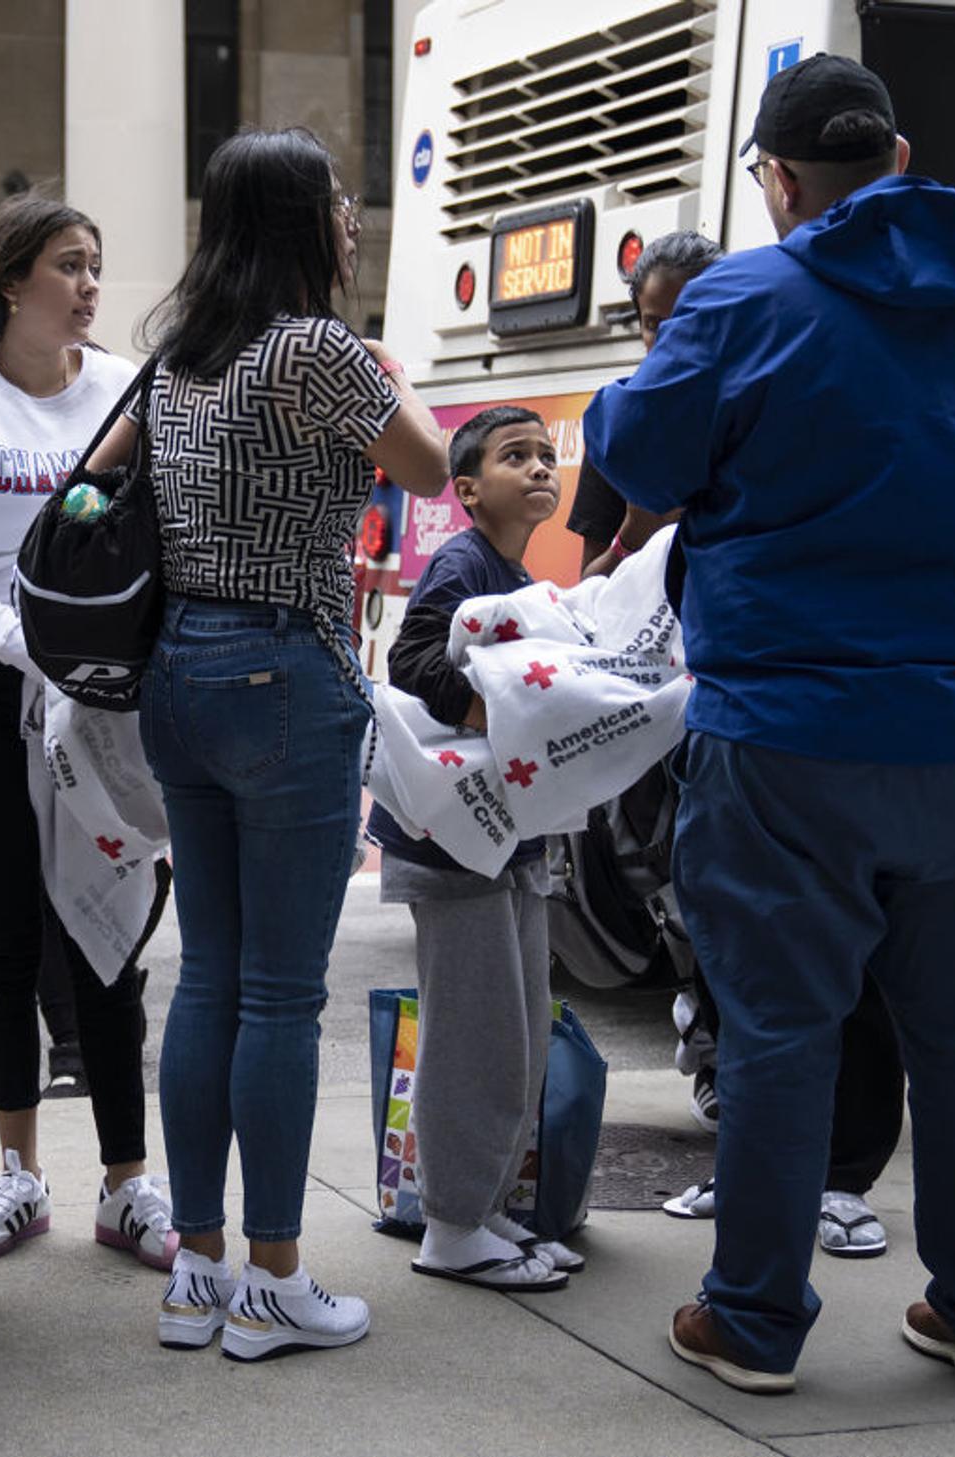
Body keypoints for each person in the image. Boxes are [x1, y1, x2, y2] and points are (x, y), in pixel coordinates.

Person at [584, 55, 955, 1393]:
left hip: (786, 735)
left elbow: (635, 459)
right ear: (902, 159)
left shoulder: (744, 296)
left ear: (780, 180)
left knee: (781, 1035)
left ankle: (752, 1317)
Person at [92, 128, 449, 1361]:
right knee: (283, 997)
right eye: (342, 207)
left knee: (208, 976)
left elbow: (90, 487)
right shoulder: (313, 346)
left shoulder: (177, 354)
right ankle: (276, 1281)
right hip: (285, 673)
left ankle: (194, 1270)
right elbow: (434, 461)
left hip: (176, 676)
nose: (354, 224)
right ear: (301, 221)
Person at [0, 194, 172, 1269]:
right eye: (68, 265)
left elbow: (151, 537)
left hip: (100, 701)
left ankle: (127, 1184)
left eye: (96, 263)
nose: (91, 284)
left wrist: (88, 664)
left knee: (114, 943)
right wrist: (26, 646)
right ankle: (17, 1172)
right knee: (6, 938)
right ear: (9, 281)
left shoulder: (123, 394)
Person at [366, 406, 591, 1291]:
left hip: (506, 841)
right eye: (515, 457)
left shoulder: (509, 569)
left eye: (546, 455)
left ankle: (489, 1211)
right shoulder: (464, 563)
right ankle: (453, 1225)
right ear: (464, 491)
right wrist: (510, 719)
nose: (540, 467)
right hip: (458, 842)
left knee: (523, 1030)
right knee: (477, 1036)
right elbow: (416, 658)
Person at [570, 231, 722, 579]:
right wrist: (634, 533)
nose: (669, 338)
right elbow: (588, 590)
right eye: (653, 324)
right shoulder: (619, 429)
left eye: (685, 320)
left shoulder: (754, 410)